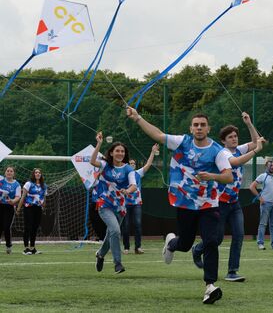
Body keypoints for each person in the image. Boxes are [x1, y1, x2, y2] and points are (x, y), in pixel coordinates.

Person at [127, 107, 232, 305]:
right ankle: (171, 243)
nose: (199, 128)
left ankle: (210, 286)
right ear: (191, 129)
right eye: (196, 125)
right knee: (185, 244)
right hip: (184, 202)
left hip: (209, 204)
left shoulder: (218, 151)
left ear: (208, 128)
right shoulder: (182, 142)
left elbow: (228, 176)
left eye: (203, 125)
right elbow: (157, 134)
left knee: (211, 241)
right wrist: (138, 118)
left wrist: (212, 176)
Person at [192, 112, 264, 283]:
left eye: (236, 136)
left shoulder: (239, 149)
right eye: (230, 137)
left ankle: (232, 271)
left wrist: (249, 123)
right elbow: (236, 162)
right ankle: (198, 249)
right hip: (220, 203)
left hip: (234, 203)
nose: (234, 139)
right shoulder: (222, 153)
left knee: (239, 235)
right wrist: (255, 151)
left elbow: (255, 141)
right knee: (216, 239)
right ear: (224, 140)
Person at [90, 132, 137, 274]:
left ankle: (100, 254)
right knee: (116, 231)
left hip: (120, 206)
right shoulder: (105, 165)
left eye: (122, 151)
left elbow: (133, 185)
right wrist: (99, 143)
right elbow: (92, 161)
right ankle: (118, 263)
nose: (120, 153)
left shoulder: (128, 168)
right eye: (117, 151)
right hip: (104, 204)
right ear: (111, 153)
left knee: (111, 233)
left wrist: (128, 191)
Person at [122, 143, 159, 255]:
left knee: (138, 224)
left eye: (134, 163)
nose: (133, 165)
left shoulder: (138, 173)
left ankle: (138, 247)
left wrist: (152, 152)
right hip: (125, 204)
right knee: (126, 226)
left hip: (137, 203)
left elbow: (148, 164)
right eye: (130, 163)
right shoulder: (123, 175)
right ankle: (126, 247)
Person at [249, 160, 273, 250]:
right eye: (270, 165)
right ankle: (260, 243)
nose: (272, 167)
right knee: (263, 224)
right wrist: (260, 198)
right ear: (266, 166)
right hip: (265, 203)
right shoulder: (263, 176)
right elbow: (252, 187)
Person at [17, 168, 48, 255]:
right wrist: (18, 208)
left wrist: (44, 206)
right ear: (33, 174)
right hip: (29, 207)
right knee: (28, 227)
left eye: (39, 172)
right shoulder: (28, 184)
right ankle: (26, 248)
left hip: (38, 208)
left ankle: (33, 248)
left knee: (35, 228)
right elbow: (23, 197)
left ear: (41, 175)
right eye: (36, 172)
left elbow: (44, 198)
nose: (37, 174)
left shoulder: (44, 186)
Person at [0, 167, 21, 254]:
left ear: (13, 173)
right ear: (5, 173)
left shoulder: (17, 184)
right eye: (7, 171)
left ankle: (8, 246)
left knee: (6, 227)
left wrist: (12, 201)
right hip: (0, 206)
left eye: (11, 171)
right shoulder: (1, 180)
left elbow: (18, 197)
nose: (9, 172)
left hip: (9, 207)